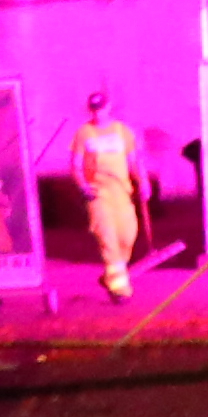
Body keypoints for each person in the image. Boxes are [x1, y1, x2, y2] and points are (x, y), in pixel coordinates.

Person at [71, 94, 149, 300]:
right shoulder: (84, 133)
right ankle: (120, 290)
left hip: (122, 193)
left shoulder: (122, 131)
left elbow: (133, 162)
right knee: (109, 241)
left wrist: (143, 182)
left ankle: (111, 276)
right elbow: (76, 166)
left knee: (127, 235)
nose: (98, 113)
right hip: (98, 195)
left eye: (101, 108)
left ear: (109, 107)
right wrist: (83, 186)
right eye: (94, 109)